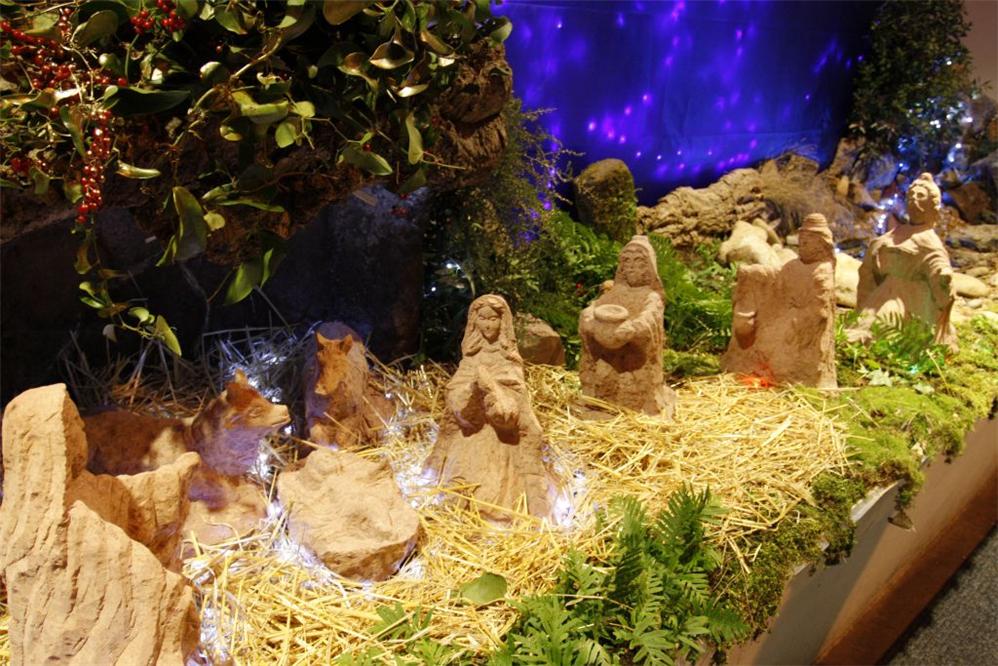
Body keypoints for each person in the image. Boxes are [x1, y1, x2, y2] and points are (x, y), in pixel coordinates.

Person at [425, 294, 553, 521]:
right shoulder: (470, 358)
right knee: (461, 466)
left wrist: (498, 395)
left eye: (493, 319)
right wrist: (473, 390)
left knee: (496, 482)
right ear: (474, 322)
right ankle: (456, 503)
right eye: (482, 318)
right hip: (471, 431)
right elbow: (455, 396)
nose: (488, 325)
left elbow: (517, 396)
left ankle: (495, 510)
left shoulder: (509, 359)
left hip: (502, 437)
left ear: (503, 322)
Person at [723, 213, 837, 388]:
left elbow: (819, 309)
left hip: (800, 324)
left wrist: (797, 323)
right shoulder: (794, 266)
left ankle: (787, 376)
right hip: (783, 315)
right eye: (801, 240)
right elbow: (777, 277)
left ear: (821, 245)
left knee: (774, 342)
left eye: (808, 241)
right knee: (762, 332)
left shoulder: (822, 272)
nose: (802, 244)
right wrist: (754, 272)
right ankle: (753, 368)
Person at [849, 173, 957, 351]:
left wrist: (942, 276)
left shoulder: (929, 239)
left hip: (910, 298)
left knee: (883, 325)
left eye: (920, 196)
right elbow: (878, 251)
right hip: (886, 290)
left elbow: (937, 263)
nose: (914, 199)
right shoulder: (898, 231)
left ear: (931, 205)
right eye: (911, 195)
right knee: (866, 322)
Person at [578, 235, 675, 416]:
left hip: (636, 356)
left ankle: (642, 407)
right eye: (627, 261)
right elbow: (594, 306)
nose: (631, 267)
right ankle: (598, 402)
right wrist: (588, 317)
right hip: (609, 350)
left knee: (632, 387)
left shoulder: (651, 296)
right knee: (603, 378)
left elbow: (650, 318)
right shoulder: (616, 292)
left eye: (638, 262)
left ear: (648, 268)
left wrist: (632, 329)